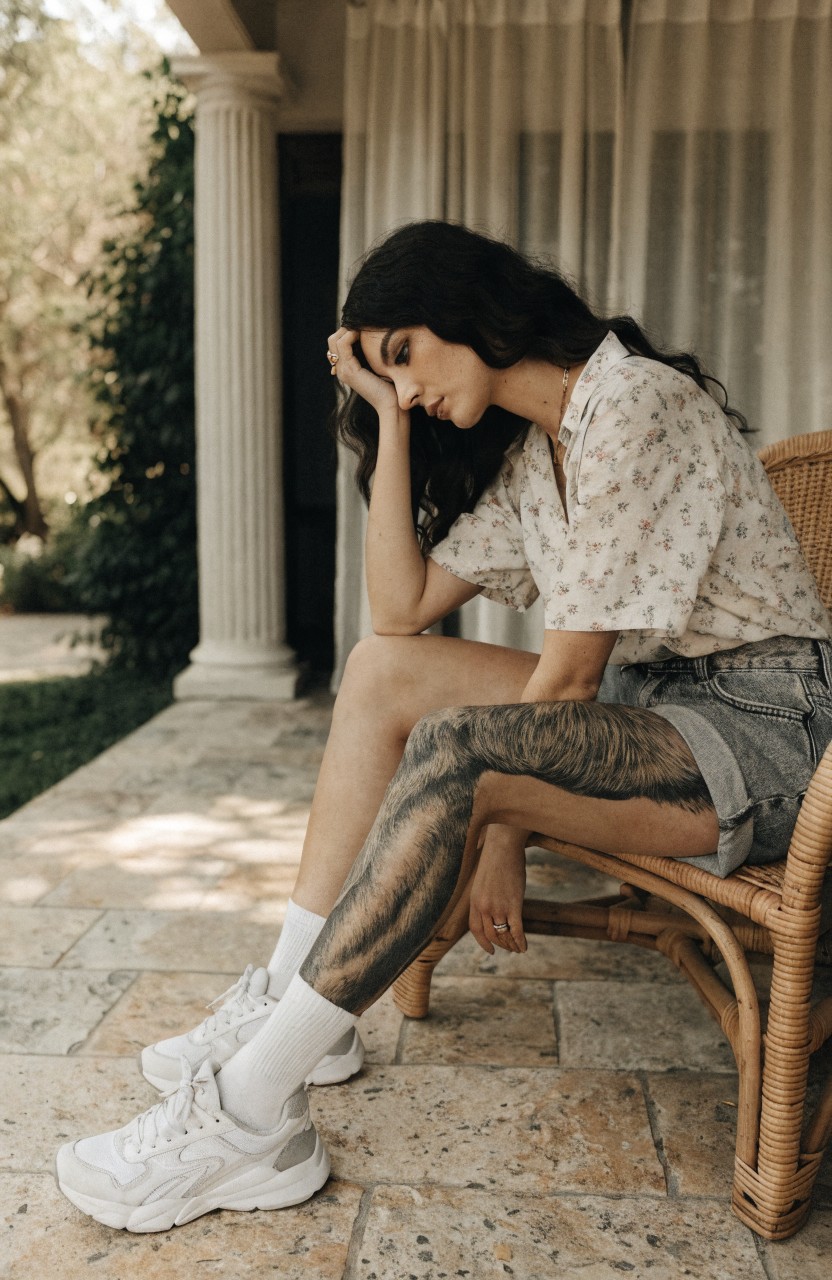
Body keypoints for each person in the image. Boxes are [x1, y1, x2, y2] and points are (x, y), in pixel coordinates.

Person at [56, 221, 832, 1232]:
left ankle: (250, 1116)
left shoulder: (632, 400)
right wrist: (389, 421)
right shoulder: (537, 457)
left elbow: (571, 674)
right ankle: (303, 1007)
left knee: (461, 745)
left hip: (765, 734)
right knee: (384, 673)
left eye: (406, 355)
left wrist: (501, 819)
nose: (409, 385)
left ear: (469, 309)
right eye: (390, 374)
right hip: (657, 709)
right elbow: (399, 607)